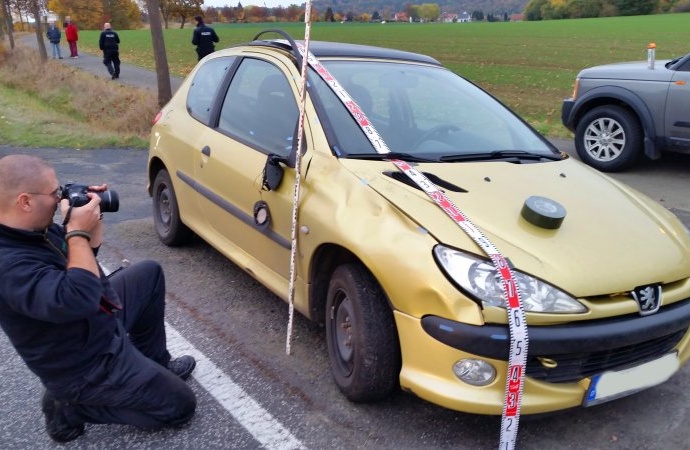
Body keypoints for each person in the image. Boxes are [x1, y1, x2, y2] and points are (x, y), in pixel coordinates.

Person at [0, 155, 197, 443]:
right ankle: (70, 408)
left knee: (148, 274)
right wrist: (76, 231)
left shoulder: (31, 230)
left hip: (95, 322)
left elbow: (84, 261)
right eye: (55, 192)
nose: (60, 198)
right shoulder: (9, 265)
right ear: (25, 201)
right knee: (180, 406)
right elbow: (76, 298)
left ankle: (155, 363)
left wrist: (91, 218)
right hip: (83, 366)